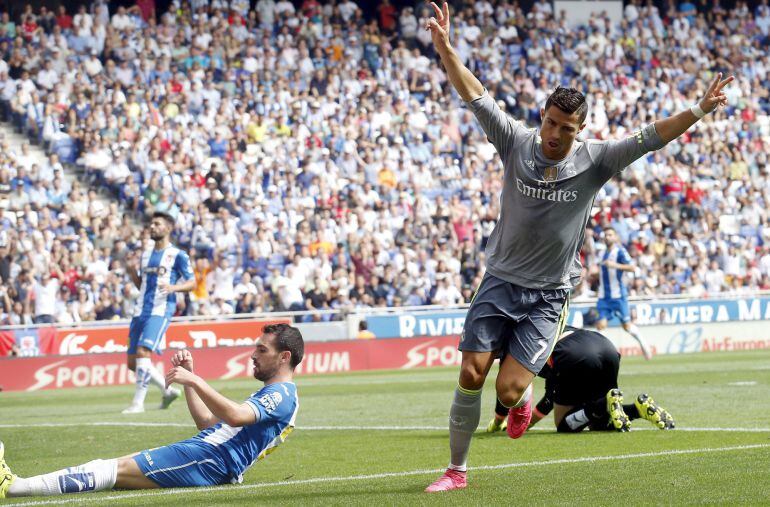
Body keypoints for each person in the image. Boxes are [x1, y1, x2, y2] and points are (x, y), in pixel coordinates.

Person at [423, 1, 732, 492]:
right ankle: (457, 471)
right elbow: (475, 93)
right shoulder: (515, 141)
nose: (555, 134)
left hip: (548, 294)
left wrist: (698, 110)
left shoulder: (597, 160)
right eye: (550, 122)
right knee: (471, 373)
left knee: (509, 389)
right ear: (542, 116)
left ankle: (520, 401)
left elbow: (652, 138)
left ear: (580, 129)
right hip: (500, 279)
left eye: (566, 128)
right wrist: (445, 49)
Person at [0, 323, 304, 498]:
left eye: (262, 350)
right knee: (112, 469)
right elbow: (207, 422)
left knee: (113, 470)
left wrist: (195, 380)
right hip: (206, 452)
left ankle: (15, 487)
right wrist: (190, 378)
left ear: (284, 357)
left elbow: (235, 415)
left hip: (211, 460)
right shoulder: (273, 394)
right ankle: (15, 485)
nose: (253, 355)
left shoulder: (281, 394)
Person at [485, 327, 674, 434]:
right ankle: (638, 409)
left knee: (563, 425)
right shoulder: (541, 324)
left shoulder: (514, 348)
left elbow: (547, 400)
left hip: (573, 353)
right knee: (600, 423)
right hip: (606, 346)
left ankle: (602, 404)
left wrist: (507, 423)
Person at [122, 212, 196, 414]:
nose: (152, 227)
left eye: (157, 224)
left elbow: (192, 283)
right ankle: (168, 391)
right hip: (140, 310)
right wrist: (131, 272)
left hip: (160, 310)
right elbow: (143, 285)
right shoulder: (145, 254)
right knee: (133, 363)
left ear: (168, 228)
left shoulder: (178, 255)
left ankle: (138, 404)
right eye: (151, 224)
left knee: (143, 353)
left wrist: (174, 288)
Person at [595, 227, 652, 359]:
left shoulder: (620, 251)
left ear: (615, 237)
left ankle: (644, 344)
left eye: (610, 235)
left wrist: (615, 265)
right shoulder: (601, 253)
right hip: (604, 297)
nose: (607, 237)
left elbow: (632, 267)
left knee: (627, 326)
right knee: (600, 325)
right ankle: (603, 355)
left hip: (618, 296)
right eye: (606, 235)